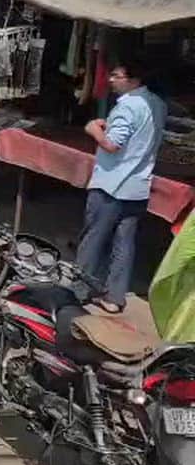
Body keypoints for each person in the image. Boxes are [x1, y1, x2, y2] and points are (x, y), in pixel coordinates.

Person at [76, 56, 166, 314]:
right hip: (137, 186)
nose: (111, 80)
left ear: (133, 80)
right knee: (124, 244)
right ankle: (115, 297)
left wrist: (93, 129)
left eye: (117, 76)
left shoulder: (127, 106)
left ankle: (78, 291)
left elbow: (112, 144)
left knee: (93, 240)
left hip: (111, 184)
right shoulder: (157, 104)